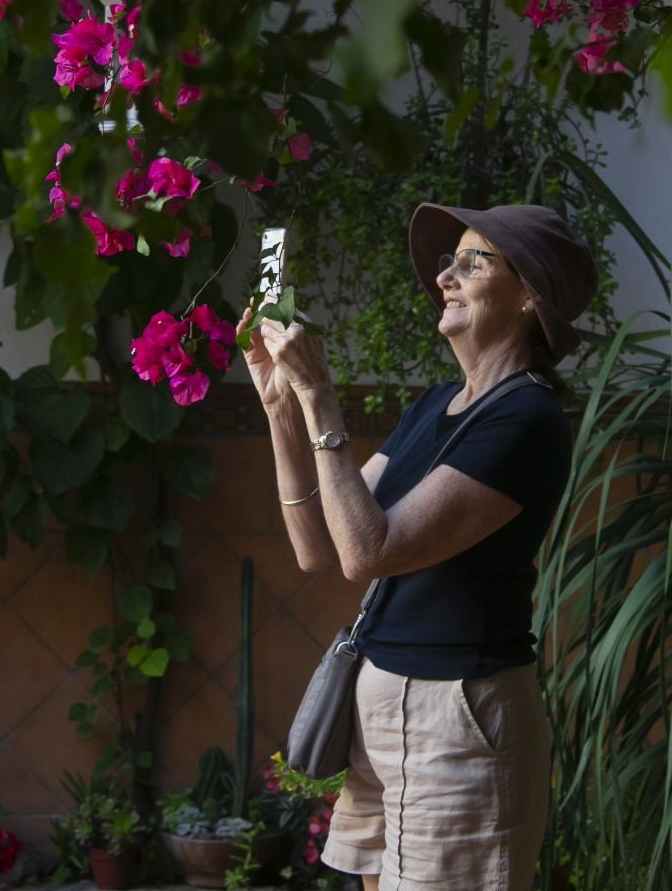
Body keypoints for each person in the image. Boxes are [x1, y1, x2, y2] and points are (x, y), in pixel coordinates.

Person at [240, 202, 598, 891]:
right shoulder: (435, 404)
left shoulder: (527, 419)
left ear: (530, 296)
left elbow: (368, 554)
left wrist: (320, 395)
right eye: (448, 262)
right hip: (382, 707)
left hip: (457, 720)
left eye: (473, 262)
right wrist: (283, 406)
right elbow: (322, 544)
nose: (446, 278)